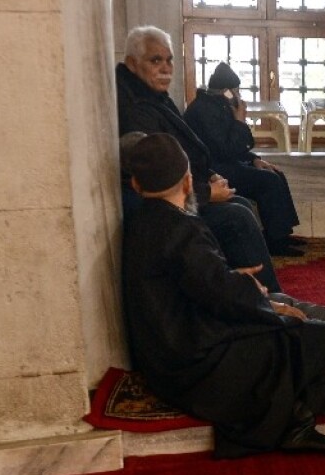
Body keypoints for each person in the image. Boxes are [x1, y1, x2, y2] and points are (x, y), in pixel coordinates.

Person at [121, 134, 325, 458]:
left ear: (137, 186)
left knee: (285, 303)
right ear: (187, 182)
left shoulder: (147, 220)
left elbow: (203, 285)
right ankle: (295, 427)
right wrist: (267, 305)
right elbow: (221, 295)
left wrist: (248, 289)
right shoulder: (178, 227)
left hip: (176, 345)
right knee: (309, 335)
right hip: (192, 361)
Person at [115, 26, 287, 291]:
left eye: (169, 59)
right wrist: (206, 192)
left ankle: (259, 287)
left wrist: (224, 169)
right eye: (155, 60)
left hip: (197, 181)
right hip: (165, 206)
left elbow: (192, 150)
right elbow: (159, 172)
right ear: (132, 64)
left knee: (243, 201)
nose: (165, 68)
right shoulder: (139, 109)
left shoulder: (156, 98)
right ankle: (265, 300)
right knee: (237, 216)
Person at [184, 62, 303, 256]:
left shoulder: (219, 106)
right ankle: (275, 242)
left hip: (226, 161)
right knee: (268, 181)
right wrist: (239, 120)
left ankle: (282, 234)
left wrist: (254, 159)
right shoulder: (204, 110)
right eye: (235, 91)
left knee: (274, 173)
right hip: (214, 169)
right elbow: (226, 149)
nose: (238, 95)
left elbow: (241, 145)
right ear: (226, 91)